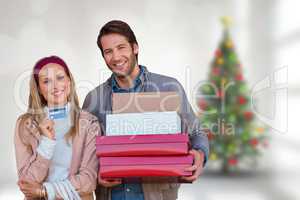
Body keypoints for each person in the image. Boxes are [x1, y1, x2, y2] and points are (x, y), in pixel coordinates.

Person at [83, 20, 209, 200]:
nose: (116, 57)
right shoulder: (93, 99)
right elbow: (82, 154)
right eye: (108, 52)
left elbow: (196, 131)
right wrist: (95, 175)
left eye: (121, 47)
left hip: (157, 193)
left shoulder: (168, 87)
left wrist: (200, 152)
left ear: (135, 47)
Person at [14, 56, 100, 200]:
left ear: (69, 82)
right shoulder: (26, 124)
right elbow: (26, 183)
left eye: (60, 77)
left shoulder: (89, 123)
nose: (55, 86)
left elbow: (88, 181)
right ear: (39, 89)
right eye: (46, 81)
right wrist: (47, 143)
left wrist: (45, 191)